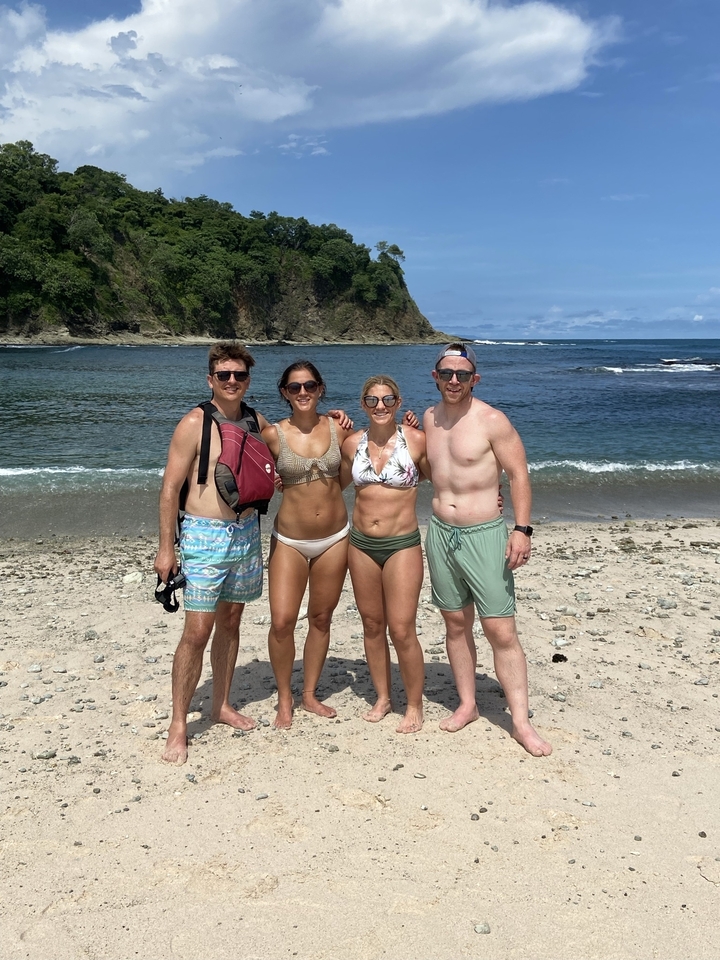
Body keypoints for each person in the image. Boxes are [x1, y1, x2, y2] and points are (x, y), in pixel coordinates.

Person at [423, 343, 552, 756]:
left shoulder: (492, 420)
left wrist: (522, 530)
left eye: (462, 375)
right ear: (436, 376)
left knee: (500, 629)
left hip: (484, 534)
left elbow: (518, 475)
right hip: (441, 533)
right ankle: (467, 704)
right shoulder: (428, 419)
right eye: (447, 374)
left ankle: (520, 722)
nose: (454, 381)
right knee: (455, 624)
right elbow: (427, 468)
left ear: (474, 378)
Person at [154, 342, 270, 764]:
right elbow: (169, 487)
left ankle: (220, 704)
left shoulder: (257, 420)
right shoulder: (193, 423)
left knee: (232, 620)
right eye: (224, 375)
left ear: (248, 380)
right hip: (203, 536)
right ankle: (179, 723)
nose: (232, 381)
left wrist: (336, 421)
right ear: (211, 380)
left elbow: (294, 445)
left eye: (239, 375)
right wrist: (167, 547)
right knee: (197, 631)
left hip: (246, 533)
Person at [262, 361, 355, 729]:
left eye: (310, 385)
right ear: (284, 392)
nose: (303, 392)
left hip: (334, 538)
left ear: (320, 389)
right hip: (289, 540)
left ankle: (309, 694)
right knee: (283, 621)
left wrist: (412, 426)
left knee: (320, 618)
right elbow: (251, 473)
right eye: (295, 387)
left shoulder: (338, 429)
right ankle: (284, 698)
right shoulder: (273, 435)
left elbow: (379, 447)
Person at [341, 376, 429, 733]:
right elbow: (332, 486)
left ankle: (414, 704)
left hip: (401, 544)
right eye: (373, 400)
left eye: (388, 400)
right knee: (372, 625)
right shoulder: (351, 444)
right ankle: (383, 697)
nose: (380, 406)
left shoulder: (417, 440)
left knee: (403, 628)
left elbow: (447, 478)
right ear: (363, 404)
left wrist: (494, 497)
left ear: (398, 402)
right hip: (361, 543)